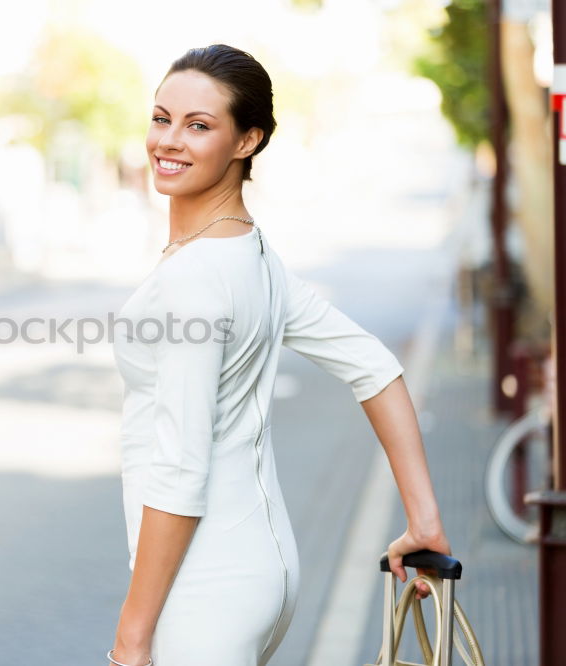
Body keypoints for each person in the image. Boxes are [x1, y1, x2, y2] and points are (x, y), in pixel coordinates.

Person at [108, 44, 451, 666]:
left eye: (200, 125)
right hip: (264, 576)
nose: (169, 141)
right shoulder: (253, 254)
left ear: (247, 141)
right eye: (162, 118)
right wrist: (424, 520)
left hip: (204, 589)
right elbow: (372, 365)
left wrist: (131, 638)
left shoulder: (195, 277)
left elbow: (181, 470)